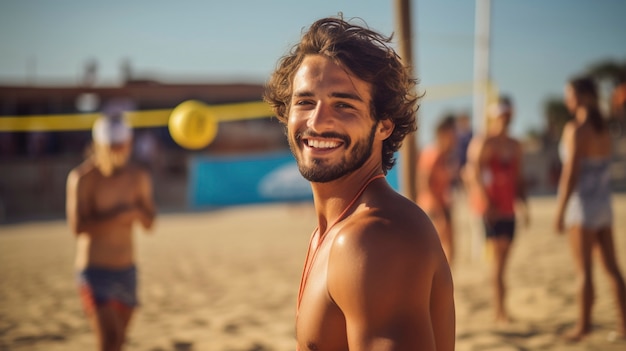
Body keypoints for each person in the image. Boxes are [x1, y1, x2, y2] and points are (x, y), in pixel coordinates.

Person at [264, 16, 455, 350]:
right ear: (286, 113)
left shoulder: (372, 237)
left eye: (343, 104)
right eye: (305, 102)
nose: (318, 121)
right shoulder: (337, 231)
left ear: (383, 125)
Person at [66, 111, 156, 351]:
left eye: (123, 145)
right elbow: (78, 227)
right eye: (114, 146)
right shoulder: (82, 178)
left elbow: (150, 223)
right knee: (108, 341)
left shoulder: (138, 176)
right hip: (94, 273)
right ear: (100, 145)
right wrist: (121, 216)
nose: (120, 151)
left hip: (127, 272)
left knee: (118, 342)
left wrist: (138, 214)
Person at [554, 76, 626, 341]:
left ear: (582, 96)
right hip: (604, 204)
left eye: (569, 94)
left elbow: (571, 173)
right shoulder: (603, 127)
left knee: (583, 270)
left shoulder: (576, 129)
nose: (566, 99)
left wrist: (560, 211)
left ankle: (583, 326)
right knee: (613, 268)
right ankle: (624, 325)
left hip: (582, 205)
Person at [465, 95, 529, 324]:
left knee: (504, 263)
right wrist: (485, 202)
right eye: (502, 115)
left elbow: (518, 178)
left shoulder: (514, 144)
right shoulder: (485, 142)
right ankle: (499, 311)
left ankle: (501, 310)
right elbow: (472, 173)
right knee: (499, 263)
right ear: (494, 116)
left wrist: (525, 206)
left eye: (508, 115)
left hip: (508, 209)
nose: (506, 119)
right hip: (491, 209)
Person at [416, 115, 459, 265]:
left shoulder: (446, 155)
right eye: (453, 132)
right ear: (444, 133)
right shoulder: (432, 153)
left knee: (450, 248)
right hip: (432, 207)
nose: (456, 136)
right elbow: (424, 183)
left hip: (442, 204)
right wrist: (439, 210)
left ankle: (444, 283)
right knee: (437, 250)